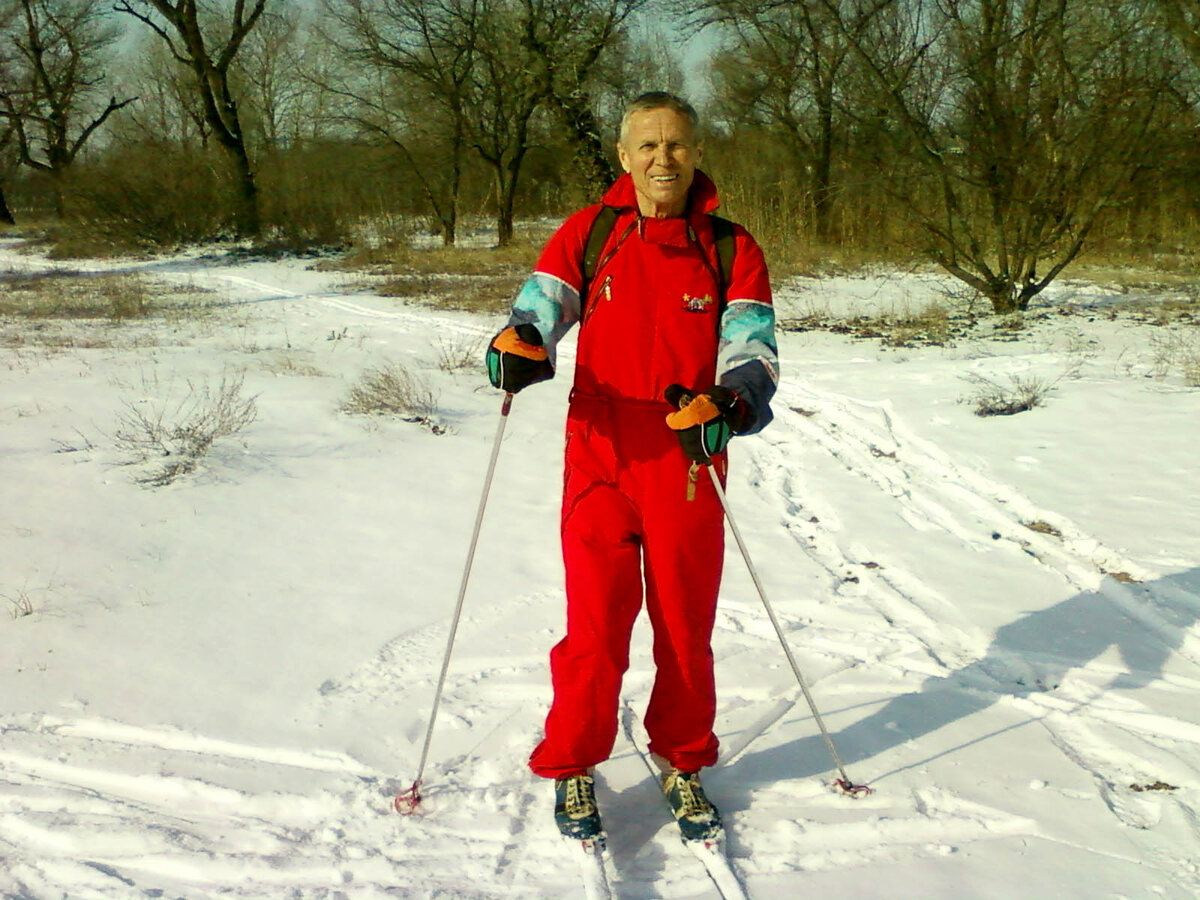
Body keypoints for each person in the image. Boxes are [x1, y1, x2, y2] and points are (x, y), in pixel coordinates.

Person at [485, 92, 778, 843]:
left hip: (686, 454)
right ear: (623, 156)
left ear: (697, 152)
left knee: (684, 626)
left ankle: (683, 760)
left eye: (676, 144)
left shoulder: (729, 247)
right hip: (601, 450)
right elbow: (539, 310)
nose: (662, 159)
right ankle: (574, 762)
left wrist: (732, 401)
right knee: (596, 623)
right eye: (646, 145)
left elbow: (753, 346)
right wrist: (520, 344)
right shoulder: (592, 234)